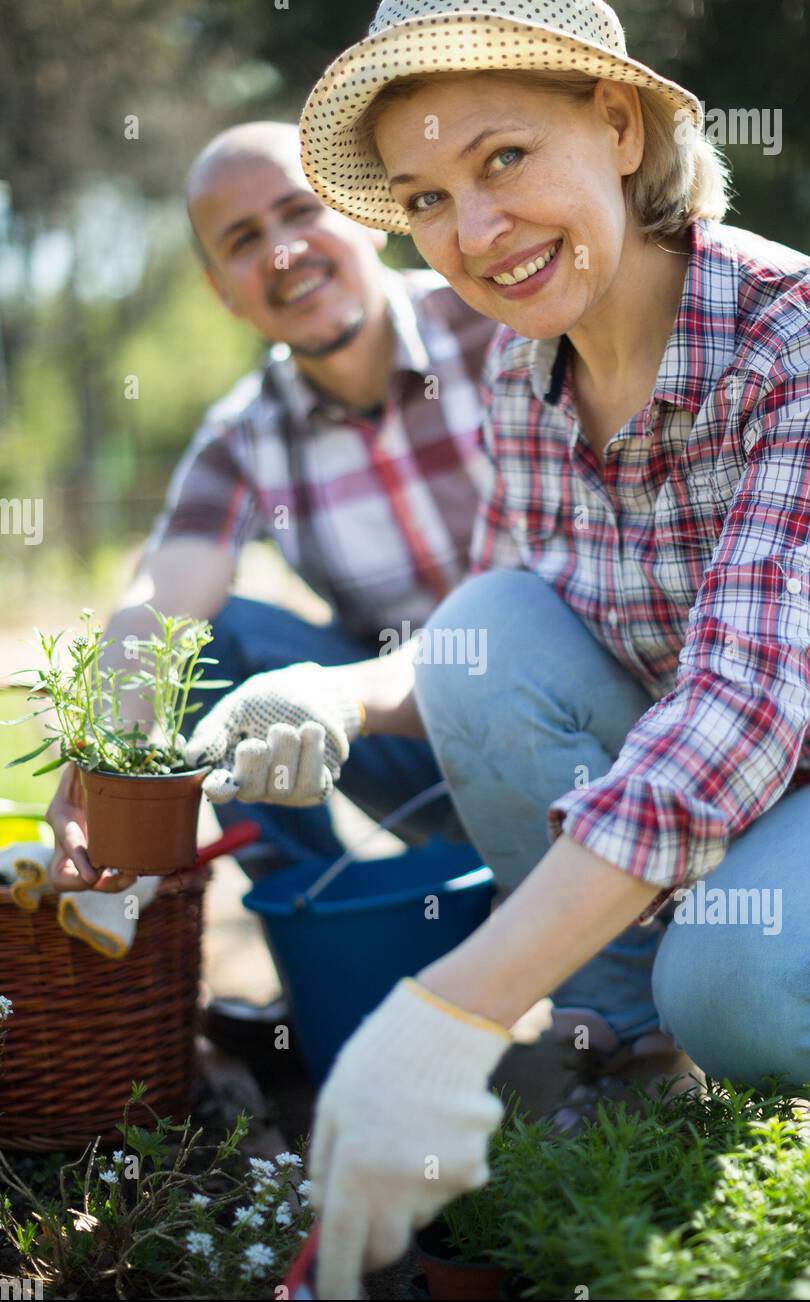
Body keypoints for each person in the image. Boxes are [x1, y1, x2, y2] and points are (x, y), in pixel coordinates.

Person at [185, 0, 810, 1297]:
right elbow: (483, 638)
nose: (475, 232)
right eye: (426, 197)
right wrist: (336, 691)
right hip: (704, 790)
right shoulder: (518, 372)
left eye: (503, 159)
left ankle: (735, 991)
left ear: (616, 124)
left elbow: (735, 705)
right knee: (486, 625)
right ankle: (619, 1057)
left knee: (749, 994)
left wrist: (451, 1008)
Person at [46, 120, 499, 917]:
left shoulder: (496, 327)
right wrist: (97, 757)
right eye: (245, 240)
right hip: (409, 748)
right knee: (208, 642)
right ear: (223, 291)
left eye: (300, 211)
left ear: (365, 211)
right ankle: (326, 926)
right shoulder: (242, 435)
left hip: (574, 730)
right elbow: (162, 596)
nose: (284, 252)